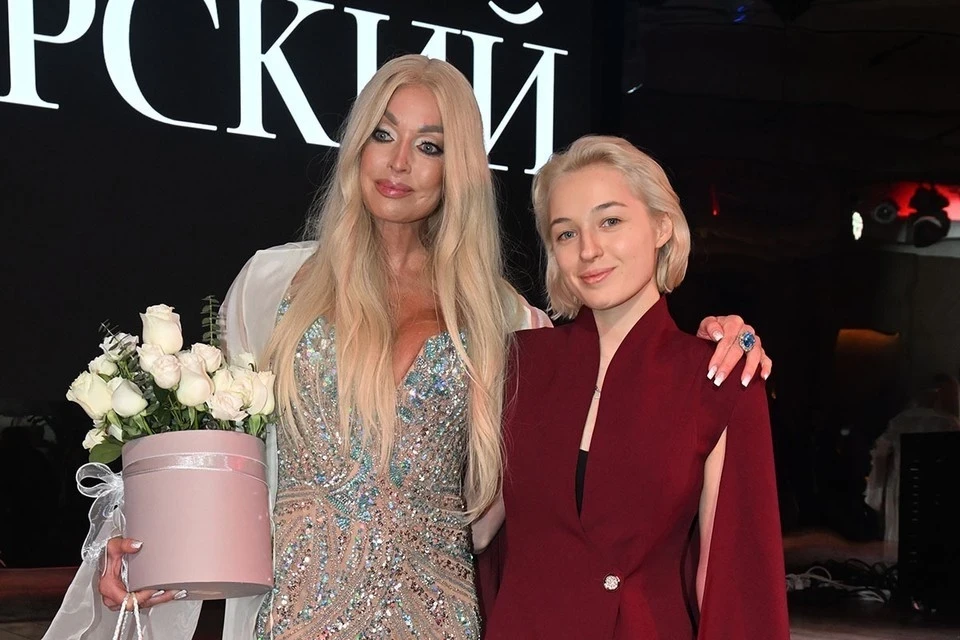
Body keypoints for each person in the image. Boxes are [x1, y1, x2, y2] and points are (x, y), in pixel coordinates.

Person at [43, 57, 769, 639]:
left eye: (430, 146)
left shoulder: (506, 319)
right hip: (296, 613)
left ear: (458, 170)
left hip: (437, 613)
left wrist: (720, 337)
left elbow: (614, 417)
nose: (399, 164)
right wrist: (144, 540)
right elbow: (209, 450)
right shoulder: (272, 285)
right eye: (383, 135)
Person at [481, 136, 789, 638]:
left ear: (662, 225)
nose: (589, 250)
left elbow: (730, 580)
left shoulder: (717, 378)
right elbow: (477, 531)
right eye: (566, 233)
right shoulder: (519, 362)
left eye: (610, 221)